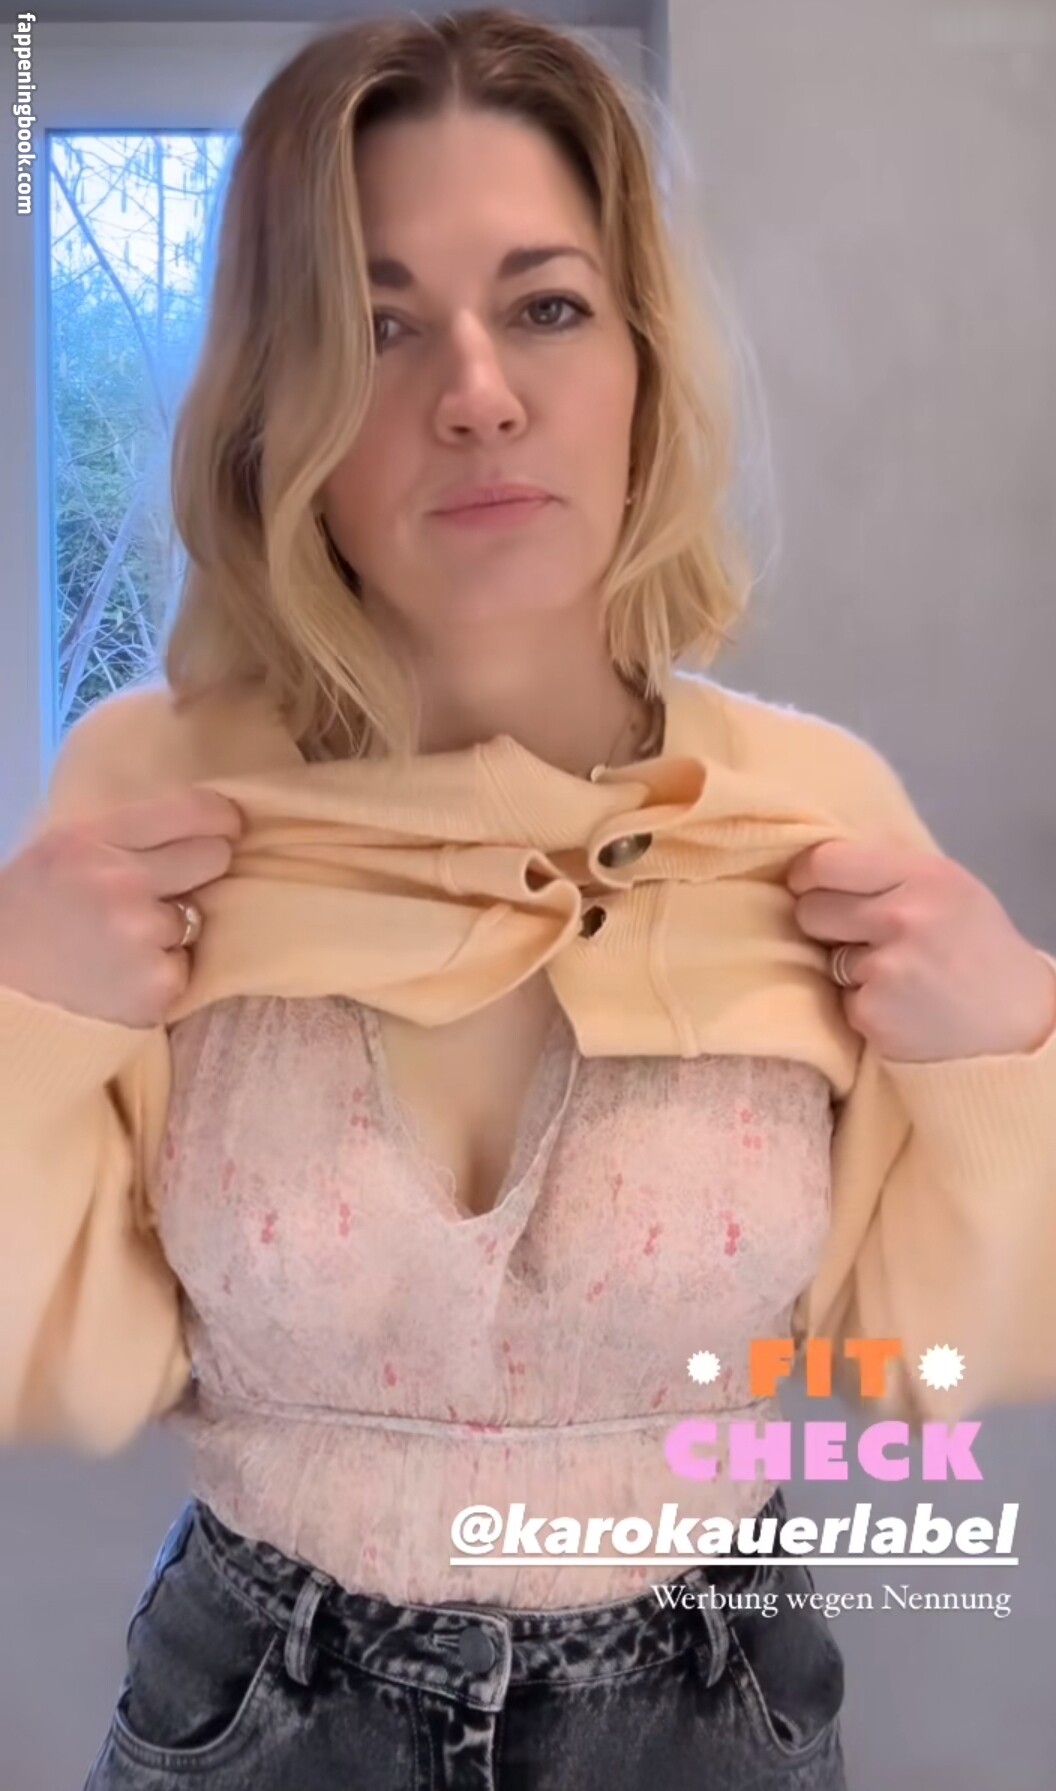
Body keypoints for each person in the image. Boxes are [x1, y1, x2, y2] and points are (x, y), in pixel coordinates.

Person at [1, 9, 1054, 1789]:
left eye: (547, 306)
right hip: (256, 1716)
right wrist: (14, 1027)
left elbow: (929, 1361)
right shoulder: (145, 800)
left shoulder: (816, 817)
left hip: (712, 1717)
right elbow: (73, 1365)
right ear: (276, 404)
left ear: (641, 358)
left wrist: (1012, 1055)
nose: (476, 391)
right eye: (377, 326)